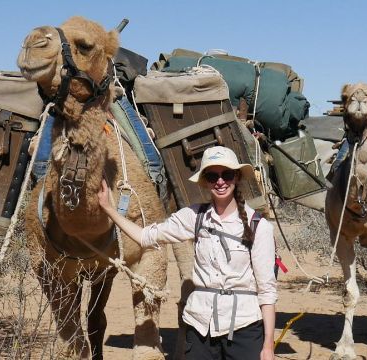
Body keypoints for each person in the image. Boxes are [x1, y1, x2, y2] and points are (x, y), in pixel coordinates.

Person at [97, 145, 277, 360]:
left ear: (236, 177)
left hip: (244, 326)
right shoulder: (193, 217)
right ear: (206, 182)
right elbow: (146, 236)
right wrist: (108, 208)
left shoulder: (259, 226)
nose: (220, 182)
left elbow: (267, 290)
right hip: (200, 324)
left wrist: (268, 345)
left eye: (226, 175)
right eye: (213, 176)